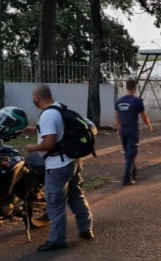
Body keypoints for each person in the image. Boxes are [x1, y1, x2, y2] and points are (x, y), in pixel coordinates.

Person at [25, 84, 93, 252]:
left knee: (55, 204)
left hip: (58, 166)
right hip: (73, 161)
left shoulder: (47, 115)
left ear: (37, 99)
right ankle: (86, 229)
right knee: (76, 196)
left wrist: (33, 147)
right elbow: (60, 131)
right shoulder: (59, 108)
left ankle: (57, 240)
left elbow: (49, 143)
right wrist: (34, 130)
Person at [114, 79, 153, 186]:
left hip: (123, 130)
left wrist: (118, 129)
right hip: (132, 131)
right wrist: (149, 126)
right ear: (135, 88)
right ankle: (126, 179)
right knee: (131, 154)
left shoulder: (119, 101)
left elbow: (117, 117)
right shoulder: (137, 101)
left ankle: (133, 171)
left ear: (126, 87)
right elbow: (144, 116)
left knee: (128, 153)